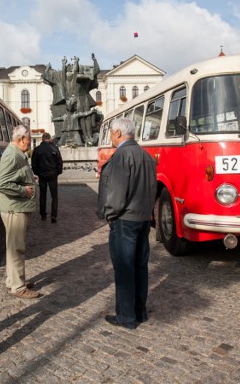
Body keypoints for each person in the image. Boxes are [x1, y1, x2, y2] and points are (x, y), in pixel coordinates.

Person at [97, 118, 157, 330]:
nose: (112, 137)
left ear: (119, 133)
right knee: (140, 267)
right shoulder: (146, 156)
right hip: (142, 219)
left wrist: (110, 214)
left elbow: (117, 193)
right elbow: (152, 190)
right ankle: (139, 312)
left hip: (125, 220)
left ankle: (125, 316)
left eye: (113, 133)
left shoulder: (122, 155)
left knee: (124, 268)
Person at [0, 125, 42, 299]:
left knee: (14, 247)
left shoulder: (16, 153)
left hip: (17, 207)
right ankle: (17, 287)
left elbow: (15, 177)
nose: (30, 144)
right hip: (15, 208)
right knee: (17, 248)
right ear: (21, 139)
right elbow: (0, 183)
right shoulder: (13, 154)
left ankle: (13, 280)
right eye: (29, 140)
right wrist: (23, 191)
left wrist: (29, 180)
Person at [31, 132, 63, 223]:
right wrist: (58, 172)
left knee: (43, 194)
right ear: (49, 139)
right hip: (53, 174)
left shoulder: (37, 149)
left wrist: (37, 173)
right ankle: (53, 216)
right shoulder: (54, 148)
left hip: (42, 174)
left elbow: (34, 163)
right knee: (54, 196)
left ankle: (43, 214)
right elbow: (59, 161)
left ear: (42, 139)